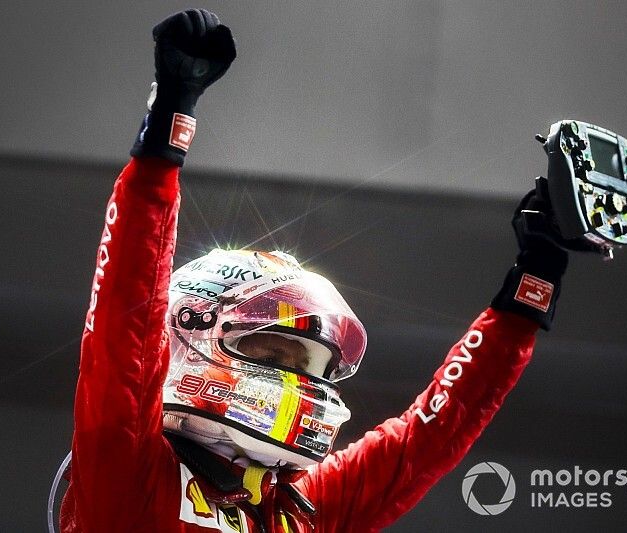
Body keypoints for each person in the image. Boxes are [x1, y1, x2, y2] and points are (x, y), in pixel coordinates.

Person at [59, 9, 585, 532]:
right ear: (189, 334)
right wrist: (168, 125)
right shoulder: (127, 468)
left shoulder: (306, 511)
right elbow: (125, 318)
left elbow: (432, 433)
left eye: (306, 364)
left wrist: (534, 279)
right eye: (271, 351)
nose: (297, 382)